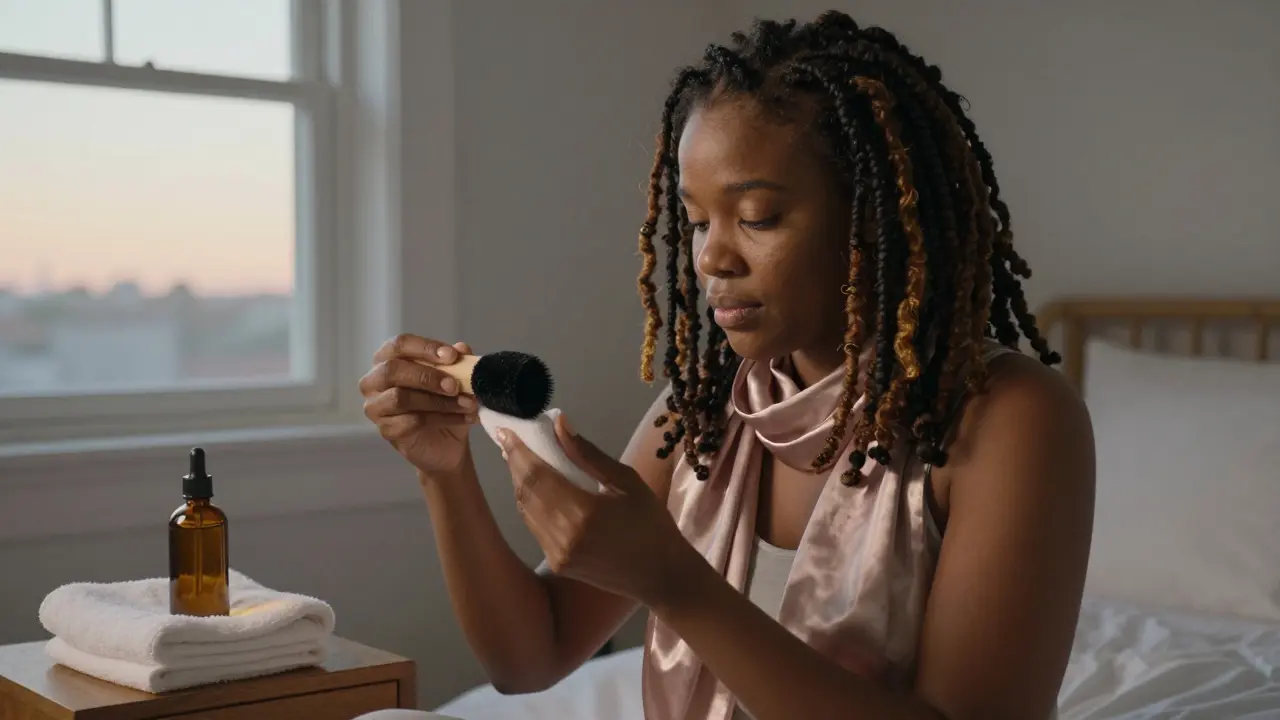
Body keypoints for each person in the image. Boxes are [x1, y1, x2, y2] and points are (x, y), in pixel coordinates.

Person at [358, 10, 1094, 720]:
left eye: (758, 217)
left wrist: (672, 583)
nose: (710, 257)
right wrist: (444, 473)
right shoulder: (707, 410)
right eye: (699, 220)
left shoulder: (1009, 415)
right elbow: (530, 659)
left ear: (875, 219)